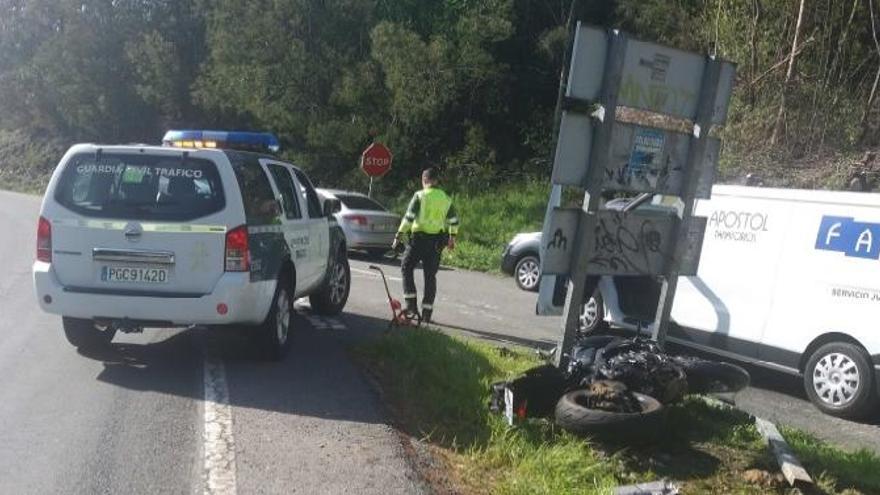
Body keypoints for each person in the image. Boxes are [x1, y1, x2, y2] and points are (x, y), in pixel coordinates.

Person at [392, 167, 459, 323]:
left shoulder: (419, 196)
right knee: (430, 276)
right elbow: (454, 221)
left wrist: (399, 235)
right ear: (436, 181)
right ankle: (427, 313)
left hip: (418, 241)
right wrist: (452, 238)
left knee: (406, 267)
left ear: (424, 181)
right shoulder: (446, 199)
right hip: (436, 243)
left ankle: (411, 307)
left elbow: (408, 218)